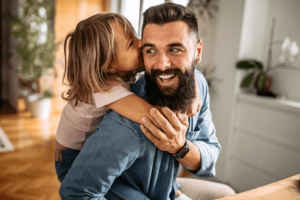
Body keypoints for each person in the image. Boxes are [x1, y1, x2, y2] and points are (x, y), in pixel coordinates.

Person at [59, 3, 235, 200]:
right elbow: (155, 119)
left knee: (228, 194)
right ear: (109, 66)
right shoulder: (116, 102)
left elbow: (210, 154)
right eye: (150, 50)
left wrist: (181, 145)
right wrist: (180, 117)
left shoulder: (196, 83)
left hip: (163, 184)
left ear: (197, 51)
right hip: (71, 161)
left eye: (175, 49)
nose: (142, 45)